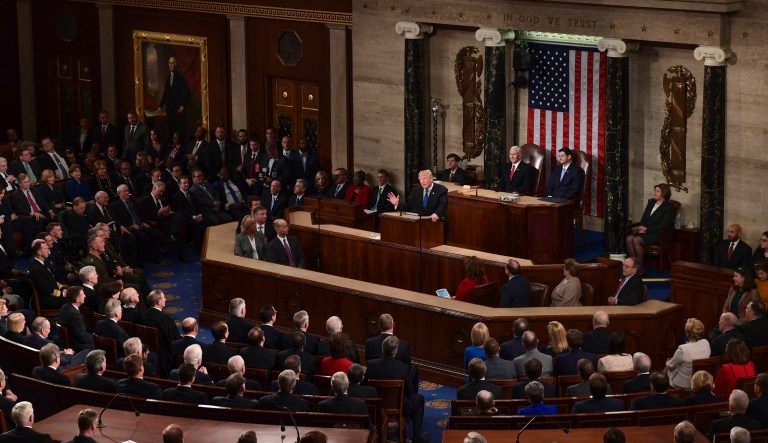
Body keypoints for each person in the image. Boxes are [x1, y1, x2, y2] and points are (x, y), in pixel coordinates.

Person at [366, 335, 427, 443]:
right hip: (398, 407)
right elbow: (409, 391)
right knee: (419, 399)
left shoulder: (371, 365)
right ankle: (416, 437)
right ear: (396, 351)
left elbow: (364, 385)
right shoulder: (403, 368)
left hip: (376, 407)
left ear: (382, 349)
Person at [625, 183, 676, 270]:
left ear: (663, 193)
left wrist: (647, 228)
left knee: (636, 240)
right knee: (629, 239)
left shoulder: (668, 207)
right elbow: (644, 218)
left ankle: (639, 268)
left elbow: (664, 225)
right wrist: (642, 227)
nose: (655, 193)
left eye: (657, 191)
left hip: (658, 234)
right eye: (655, 191)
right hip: (646, 232)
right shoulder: (651, 203)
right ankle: (635, 265)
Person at [140, 289, 181, 376]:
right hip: (164, 355)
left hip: (147, 348)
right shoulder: (165, 319)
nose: (165, 299)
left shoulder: (144, 314)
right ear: (159, 302)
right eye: (164, 298)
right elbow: (174, 339)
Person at [666, 318, 711, 390]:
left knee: (667, 367)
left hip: (685, 384)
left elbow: (671, 366)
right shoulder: (706, 343)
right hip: (702, 380)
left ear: (687, 333)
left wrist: (668, 362)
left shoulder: (682, 349)